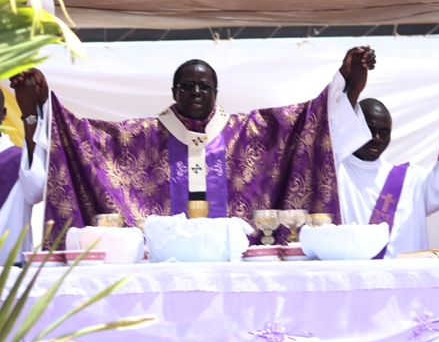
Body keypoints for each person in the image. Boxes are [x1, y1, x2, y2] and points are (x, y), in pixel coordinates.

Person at [12, 47, 376, 247]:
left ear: (217, 94)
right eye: (187, 86)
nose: (196, 92)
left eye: (204, 87)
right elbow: (86, 141)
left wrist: (346, 87)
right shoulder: (145, 136)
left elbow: (304, 123)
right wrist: (43, 108)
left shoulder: (247, 132)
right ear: (174, 93)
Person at [336, 81, 439, 258]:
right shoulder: (334, 174)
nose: (377, 139)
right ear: (354, 128)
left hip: (404, 281)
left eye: (384, 132)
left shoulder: (410, 180)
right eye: (369, 130)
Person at [0, 75, 48, 263]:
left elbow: (37, 188)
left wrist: (31, 108)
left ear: (3, 114)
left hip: (9, 277)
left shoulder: (20, 160)